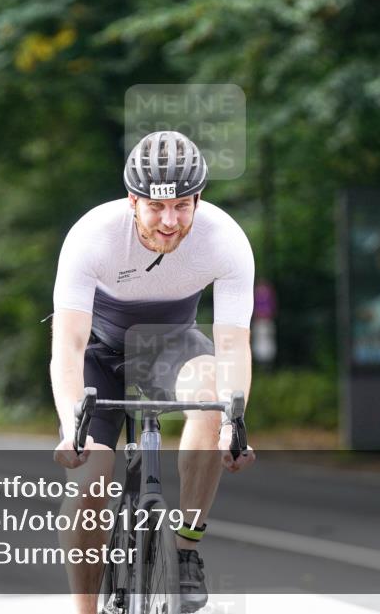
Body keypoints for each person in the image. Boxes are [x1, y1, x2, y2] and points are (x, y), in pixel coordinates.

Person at [51, 131, 256, 613]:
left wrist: (234, 424)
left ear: (198, 200)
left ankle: (185, 549)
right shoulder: (92, 235)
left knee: (211, 397)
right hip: (98, 354)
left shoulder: (224, 238)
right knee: (92, 483)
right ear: (132, 200)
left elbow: (232, 344)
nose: (170, 221)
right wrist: (71, 425)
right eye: (156, 208)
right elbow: (68, 342)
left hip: (172, 347)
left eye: (183, 206)